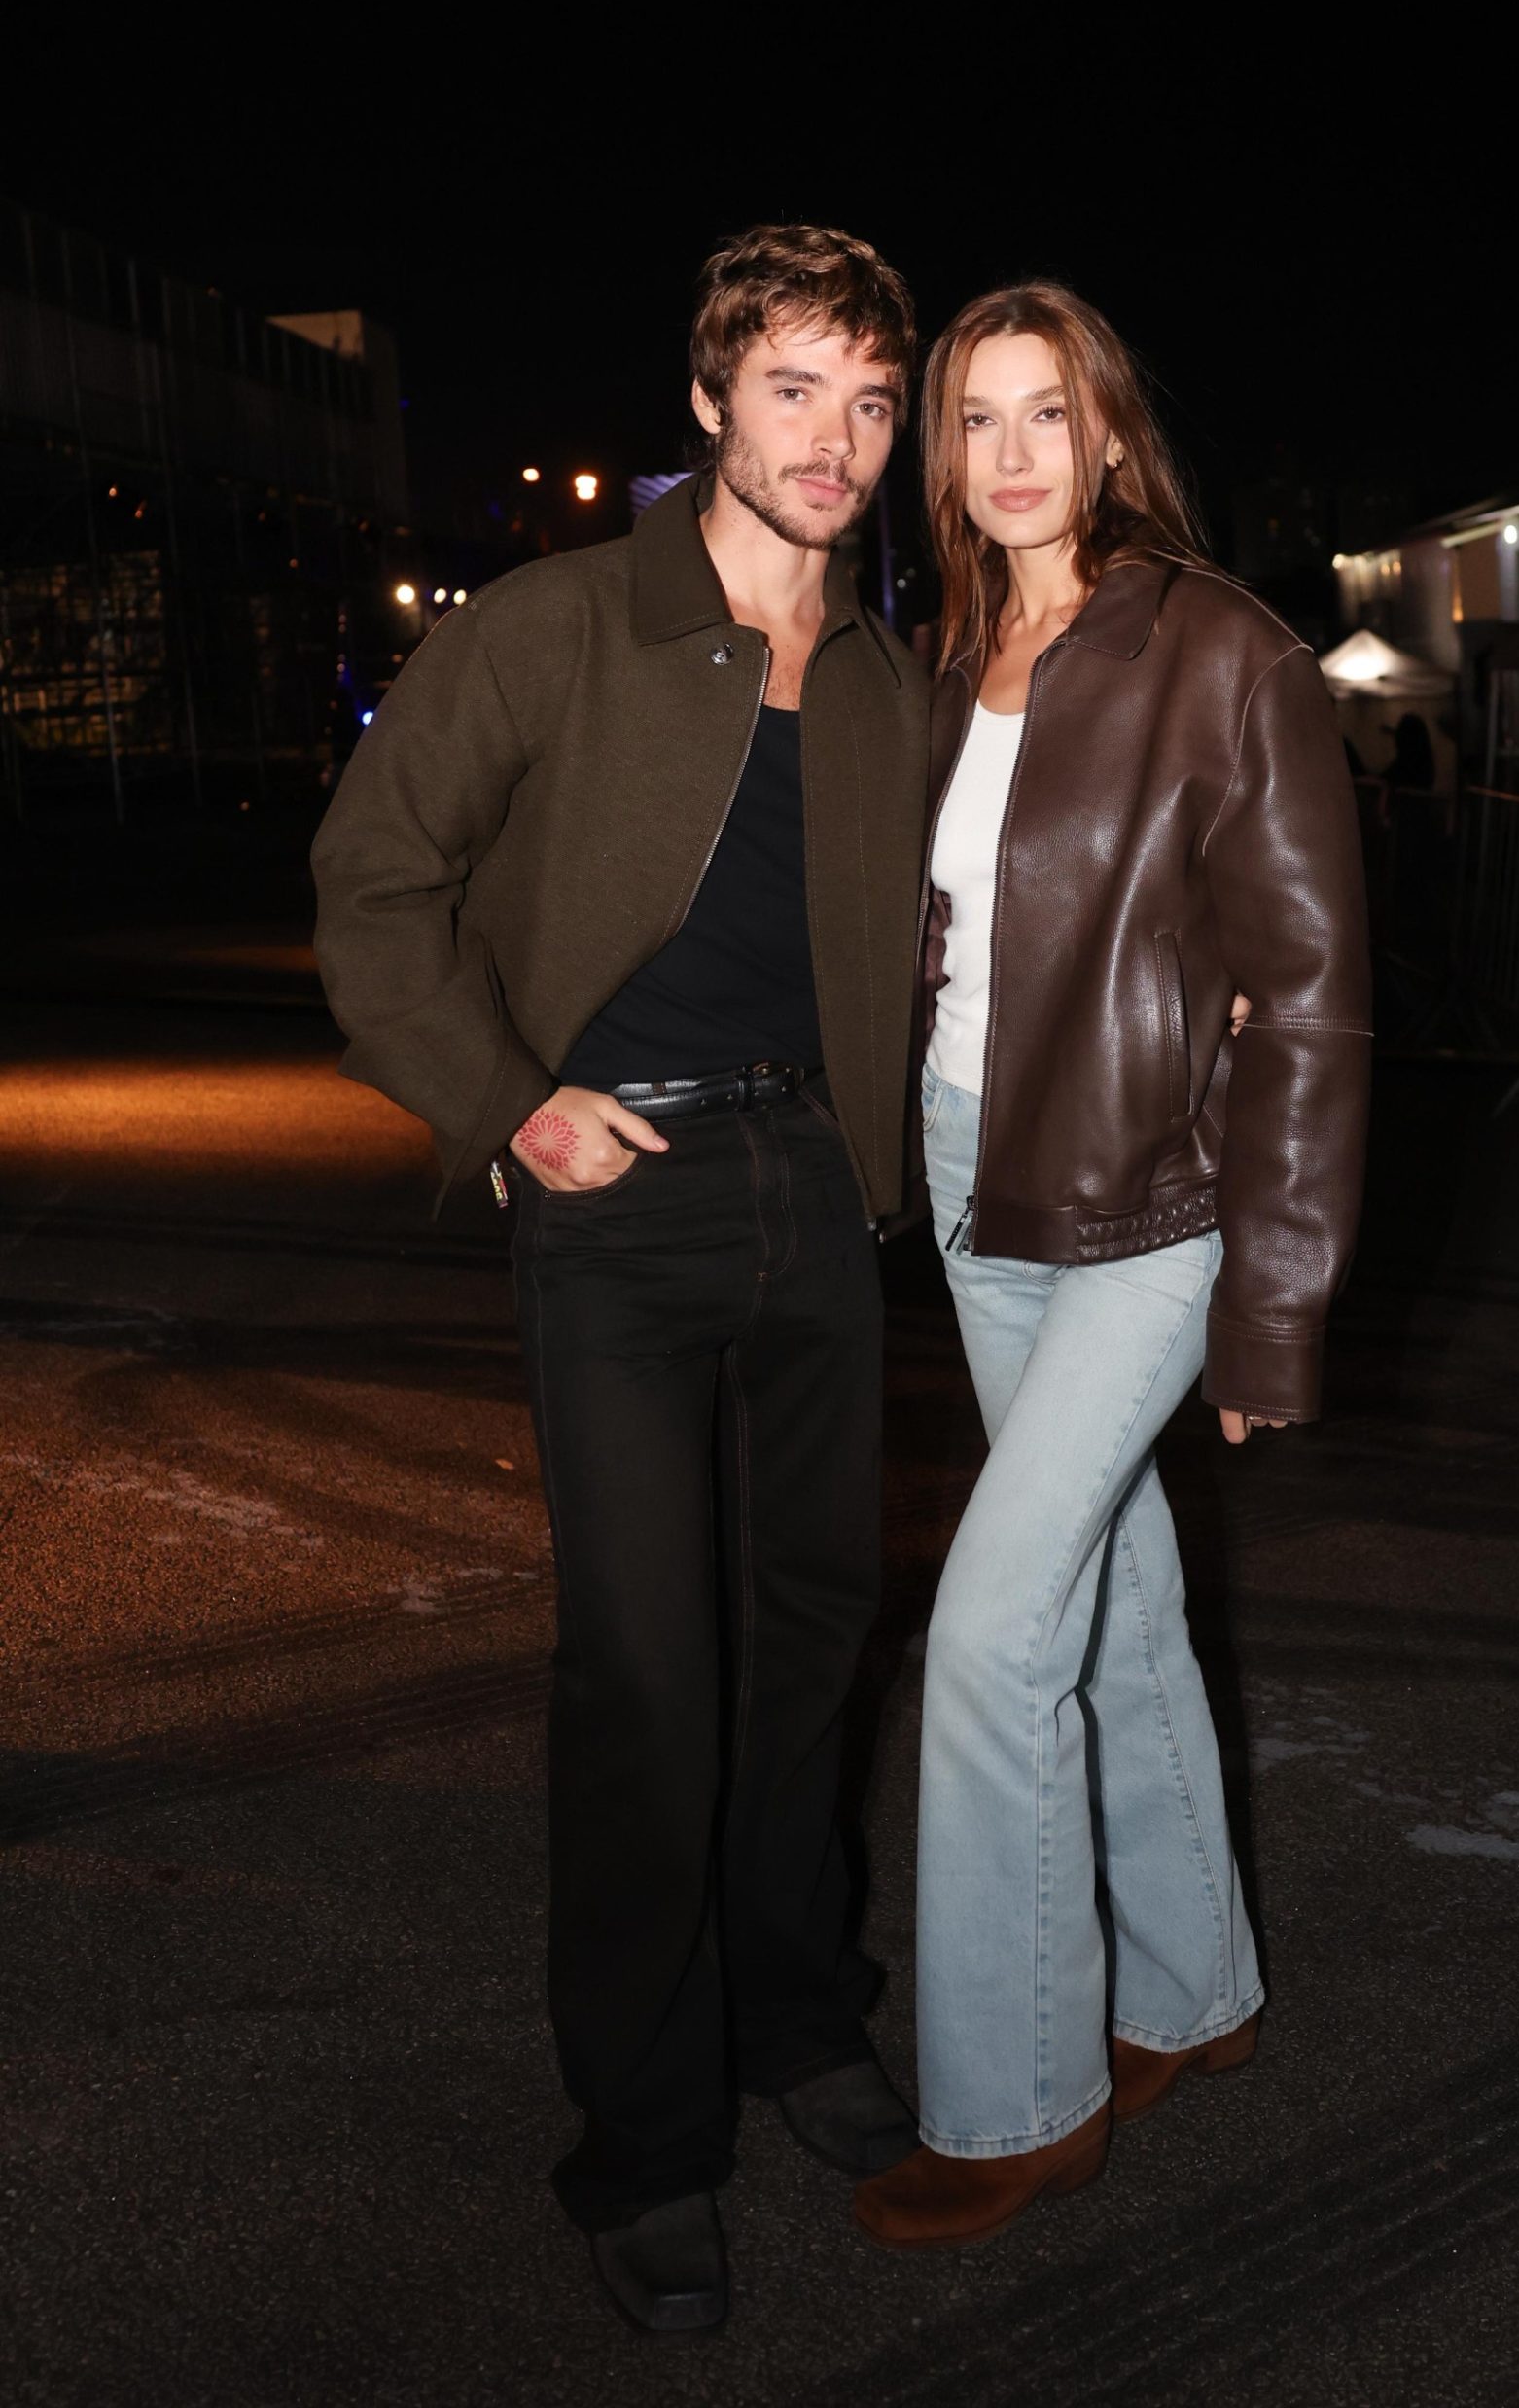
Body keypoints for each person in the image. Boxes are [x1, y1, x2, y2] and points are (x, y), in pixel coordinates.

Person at [311, 226, 932, 2336]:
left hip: (813, 1188)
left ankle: (793, 2005)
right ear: (707, 400)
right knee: (650, 1678)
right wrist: (509, 1103)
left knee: (814, 1635)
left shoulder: (879, 679)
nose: (837, 441)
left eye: (870, 401)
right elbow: (371, 882)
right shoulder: (554, 625)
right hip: (623, 1189)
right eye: (795, 391)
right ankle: (647, 2131)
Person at [853, 284, 1371, 2250]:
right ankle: (1195, 1986)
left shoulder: (1222, 651)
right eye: (971, 419)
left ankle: (1019, 2091)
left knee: (991, 1631)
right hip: (983, 1181)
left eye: (1042, 415)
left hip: (1159, 1199)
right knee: (1117, 1582)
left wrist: (1278, 1304)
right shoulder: (948, 650)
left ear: (1108, 433)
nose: (1004, 455)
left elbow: (1313, 998)